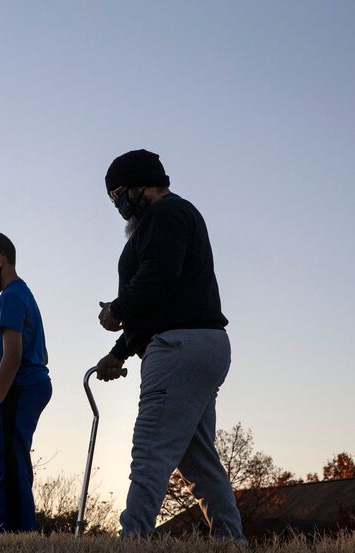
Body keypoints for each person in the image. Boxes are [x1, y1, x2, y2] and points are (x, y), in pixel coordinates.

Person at [95, 149, 245, 541]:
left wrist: (117, 309)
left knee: (150, 451)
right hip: (199, 344)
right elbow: (163, 301)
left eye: (119, 194)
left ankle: (133, 539)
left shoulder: (166, 215)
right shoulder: (168, 219)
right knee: (198, 460)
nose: (118, 205)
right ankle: (231, 541)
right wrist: (119, 352)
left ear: (143, 185)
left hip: (178, 347)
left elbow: (157, 280)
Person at [0, 231, 52, 532]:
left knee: (9, 465)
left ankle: (17, 535)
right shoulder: (21, 297)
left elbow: (13, 355)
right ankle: (3, 529)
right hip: (0, 390)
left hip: (16, 387)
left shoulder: (12, 297)